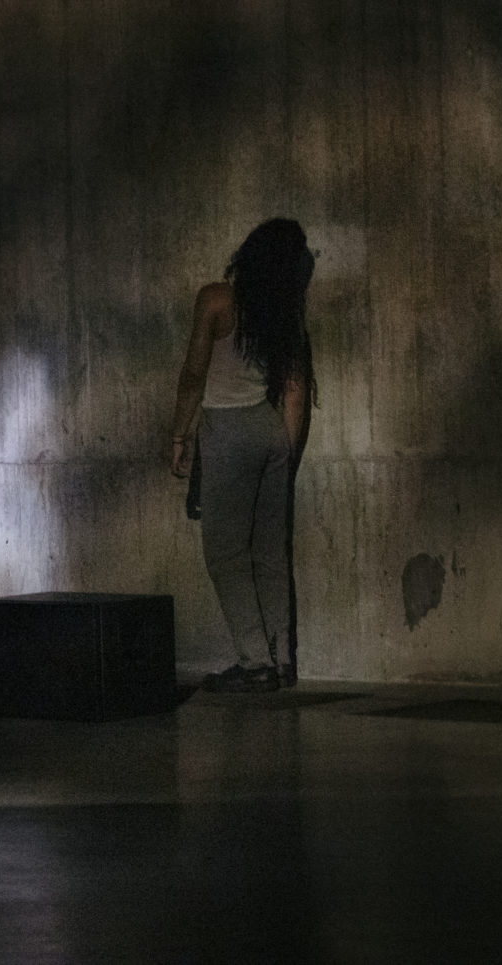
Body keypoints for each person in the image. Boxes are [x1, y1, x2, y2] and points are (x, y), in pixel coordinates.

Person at [168, 218, 315, 692]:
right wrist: (285, 455)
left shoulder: (216, 300)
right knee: (270, 551)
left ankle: (255, 661)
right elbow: (294, 391)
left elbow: (194, 373)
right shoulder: (284, 315)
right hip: (271, 431)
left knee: (225, 553)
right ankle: (283, 659)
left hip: (228, 431)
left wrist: (179, 436)